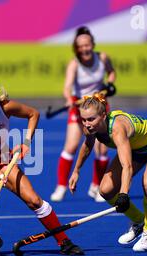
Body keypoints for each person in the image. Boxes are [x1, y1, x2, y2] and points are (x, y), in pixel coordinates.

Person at [0, 77, 84, 256]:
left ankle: (63, 241)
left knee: (33, 200)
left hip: (1, 156)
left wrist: (26, 142)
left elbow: (34, 114)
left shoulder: (5, 107)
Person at [68, 93, 147, 252]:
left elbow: (127, 167)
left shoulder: (117, 129)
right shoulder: (90, 128)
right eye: (84, 120)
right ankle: (139, 221)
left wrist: (124, 195)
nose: (87, 124)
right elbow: (87, 146)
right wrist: (76, 171)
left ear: (103, 115)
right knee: (105, 190)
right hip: (136, 148)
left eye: (91, 119)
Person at [50, 26, 116, 203]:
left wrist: (109, 84)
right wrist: (68, 98)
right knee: (71, 146)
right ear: (76, 48)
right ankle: (61, 186)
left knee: (101, 148)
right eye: (81, 46)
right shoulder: (74, 64)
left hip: (100, 105)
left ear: (92, 44)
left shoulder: (102, 58)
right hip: (80, 106)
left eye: (87, 45)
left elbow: (112, 73)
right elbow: (67, 86)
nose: (85, 49)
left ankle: (97, 187)